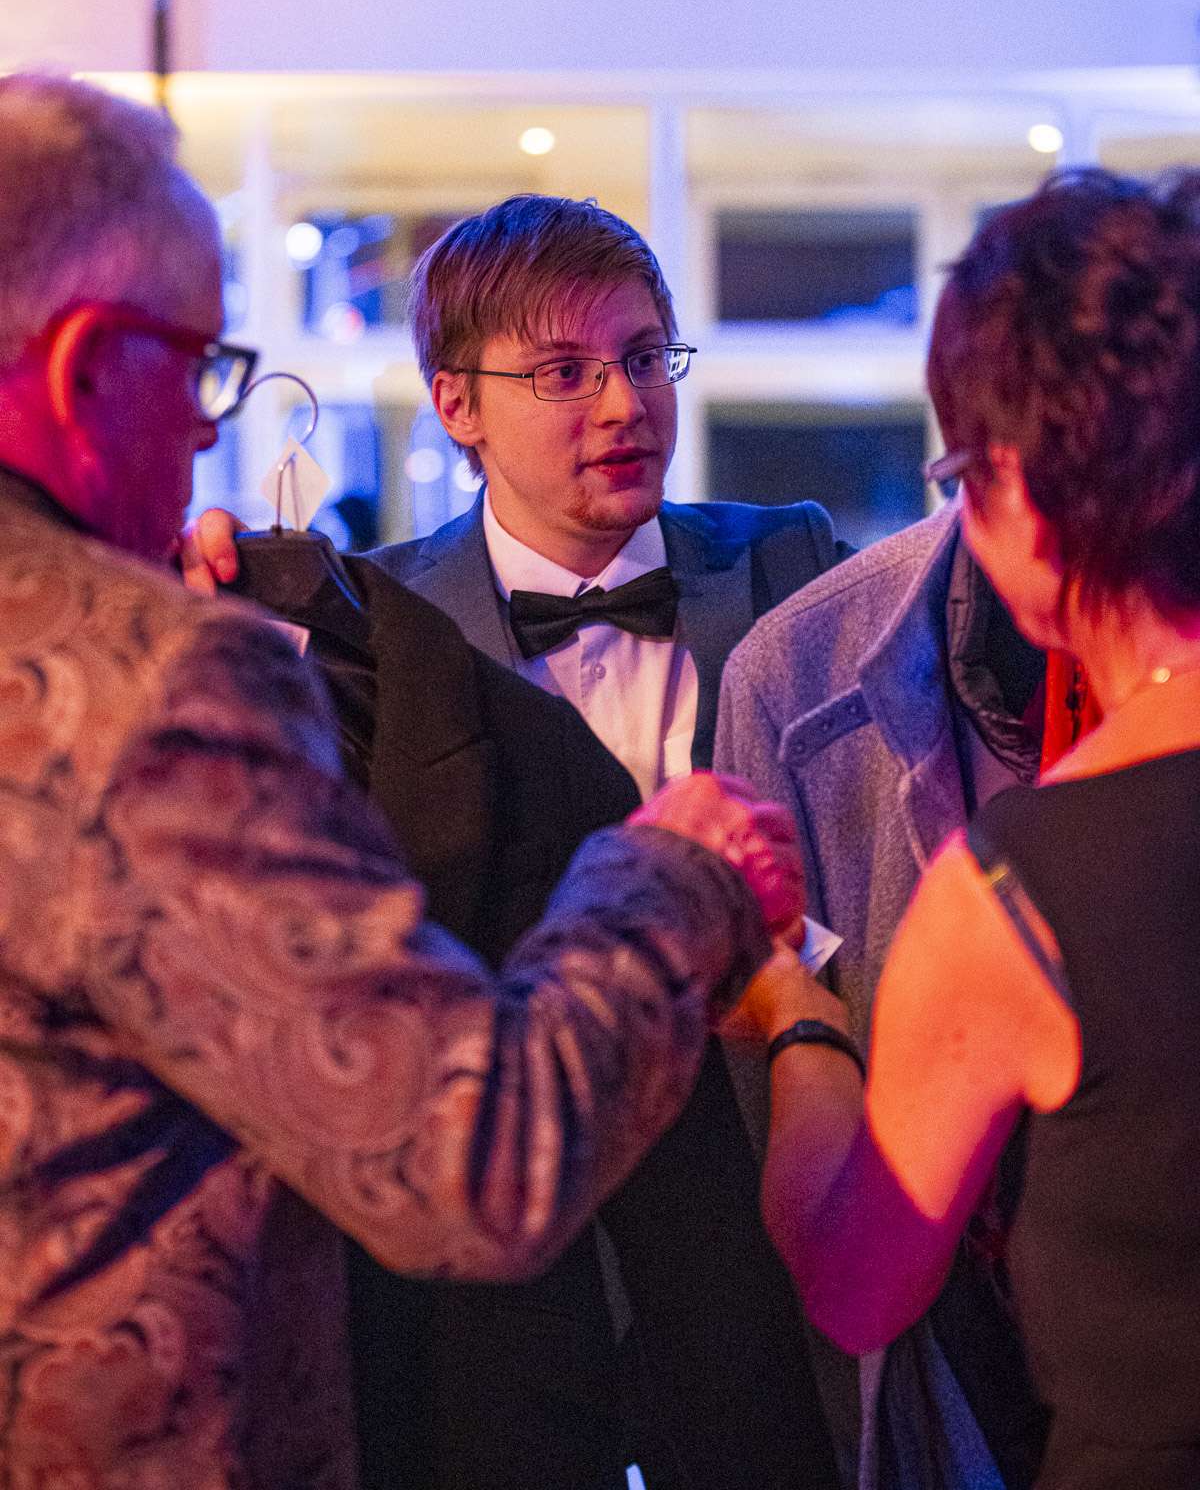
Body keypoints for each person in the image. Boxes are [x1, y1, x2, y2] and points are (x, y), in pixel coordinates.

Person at [0, 72, 805, 1489]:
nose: (209, 431)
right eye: (193, 368)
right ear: (80, 371)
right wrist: (674, 870)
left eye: (645, 358)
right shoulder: (167, 675)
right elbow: (464, 1159)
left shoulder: (795, 572)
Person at [183, 192, 848, 1489]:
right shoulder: (374, 628)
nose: (624, 404)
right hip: (510, 1235)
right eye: (563, 373)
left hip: (761, 1193)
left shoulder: (792, 565)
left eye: (644, 357)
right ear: (457, 405)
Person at [733, 168, 1200, 1490]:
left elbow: (857, 1280)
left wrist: (796, 1011)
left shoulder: (1021, 892)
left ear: (1020, 498)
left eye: (960, 479)